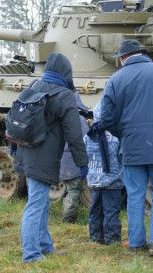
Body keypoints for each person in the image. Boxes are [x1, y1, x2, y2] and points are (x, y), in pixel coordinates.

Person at [95, 39, 153, 256]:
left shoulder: (115, 79)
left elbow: (106, 118)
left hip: (131, 147)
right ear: (143, 53)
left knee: (135, 195)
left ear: (123, 58)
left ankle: (135, 244)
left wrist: (124, 134)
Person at [12, 53, 88, 263]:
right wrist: (82, 164)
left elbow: (16, 118)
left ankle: (45, 246)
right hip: (43, 158)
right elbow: (75, 136)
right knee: (35, 204)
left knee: (41, 202)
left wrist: (13, 150)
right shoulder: (65, 96)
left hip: (25, 153)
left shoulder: (34, 86)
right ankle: (31, 254)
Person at [86, 101, 124, 245]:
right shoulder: (115, 136)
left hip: (94, 180)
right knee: (111, 211)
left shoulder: (89, 135)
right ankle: (112, 240)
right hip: (112, 182)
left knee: (95, 210)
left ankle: (95, 237)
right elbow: (121, 157)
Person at [59, 92, 90, 224]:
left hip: (63, 160)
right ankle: (68, 219)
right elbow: (85, 140)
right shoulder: (79, 120)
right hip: (74, 161)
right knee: (74, 190)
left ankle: (65, 212)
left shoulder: (60, 117)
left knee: (68, 188)